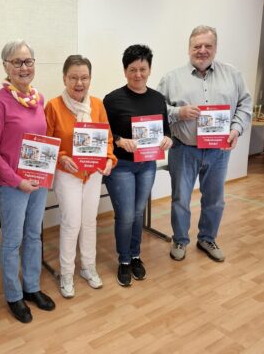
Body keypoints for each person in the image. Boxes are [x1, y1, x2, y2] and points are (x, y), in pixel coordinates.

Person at [157, 25, 252, 262]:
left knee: (215, 199)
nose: (202, 50)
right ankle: (180, 239)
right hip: (183, 149)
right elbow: (156, 110)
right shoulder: (171, 78)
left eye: (207, 46)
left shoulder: (233, 75)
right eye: (197, 46)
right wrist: (178, 112)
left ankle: (207, 238)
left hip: (219, 151)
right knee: (181, 199)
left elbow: (245, 104)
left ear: (215, 48)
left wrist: (236, 129)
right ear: (189, 48)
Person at [0, 40, 55, 323]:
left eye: (28, 61)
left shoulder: (39, 99)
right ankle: (14, 295)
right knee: (13, 241)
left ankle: (32, 287)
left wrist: (45, 170)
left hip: (38, 182)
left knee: (34, 236)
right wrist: (17, 181)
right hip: (13, 185)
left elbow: (42, 140)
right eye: (17, 62)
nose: (24, 67)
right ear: (6, 66)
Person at [45, 55, 117, 298]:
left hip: (93, 173)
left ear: (90, 79)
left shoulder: (97, 105)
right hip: (68, 172)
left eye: (84, 78)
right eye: (73, 77)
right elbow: (47, 142)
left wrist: (109, 159)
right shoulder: (53, 106)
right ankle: (66, 273)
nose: (79, 83)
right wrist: (60, 157)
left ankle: (88, 267)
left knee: (89, 221)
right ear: (64, 78)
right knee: (71, 223)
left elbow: (107, 138)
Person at [103, 45, 172, 287]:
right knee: (125, 215)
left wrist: (168, 139)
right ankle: (123, 260)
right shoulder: (112, 99)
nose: (138, 74)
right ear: (125, 71)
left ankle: (135, 255)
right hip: (121, 165)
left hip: (147, 165)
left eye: (143, 69)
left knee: (137, 212)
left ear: (149, 69)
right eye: (132, 69)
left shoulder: (157, 99)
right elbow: (104, 134)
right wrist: (119, 140)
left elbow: (166, 130)